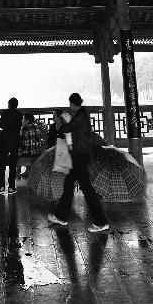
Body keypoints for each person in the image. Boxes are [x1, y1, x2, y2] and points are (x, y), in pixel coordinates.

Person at [48, 93, 109, 233]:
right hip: (78, 155)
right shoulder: (82, 114)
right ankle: (60, 216)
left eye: (70, 104)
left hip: (80, 156)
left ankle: (102, 221)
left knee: (87, 189)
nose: (69, 107)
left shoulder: (81, 115)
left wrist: (61, 122)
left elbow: (68, 128)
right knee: (69, 185)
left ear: (73, 103)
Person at [0, 97, 23, 195]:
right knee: (12, 165)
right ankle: (11, 187)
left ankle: (1, 186)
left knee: (2, 164)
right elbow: (19, 126)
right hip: (15, 140)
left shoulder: (4, 113)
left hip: (5, 139)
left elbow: (1, 125)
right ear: (17, 105)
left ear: (9, 104)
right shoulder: (20, 114)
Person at [19, 113, 43, 178]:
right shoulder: (37, 126)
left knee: (16, 158)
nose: (22, 121)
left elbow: (20, 141)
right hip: (37, 153)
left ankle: (17, 176)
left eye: (23, 119)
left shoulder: (24, 128)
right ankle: (28, 171)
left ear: (27, 120)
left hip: (27, 153)